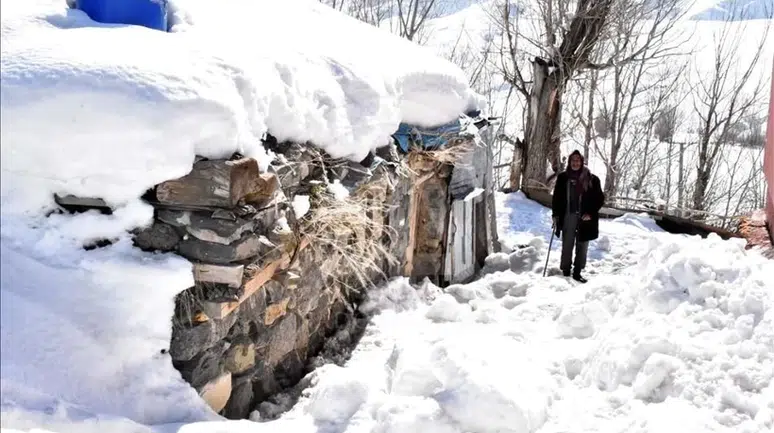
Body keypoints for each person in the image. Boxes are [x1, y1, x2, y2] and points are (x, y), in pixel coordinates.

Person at [551, 150, 605, 283]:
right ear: (569, 162)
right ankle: (566, 270)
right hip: (568, 215)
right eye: (573, 160)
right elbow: (556, 198)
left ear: (581, 162)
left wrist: (591, 214)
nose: (575, 163)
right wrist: (556, 215)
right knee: (567, 243)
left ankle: (577, 272)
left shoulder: (592, 179)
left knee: (582, 245)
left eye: (578, 160)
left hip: (584, 217)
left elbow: (599, 199)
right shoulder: (563, 178)